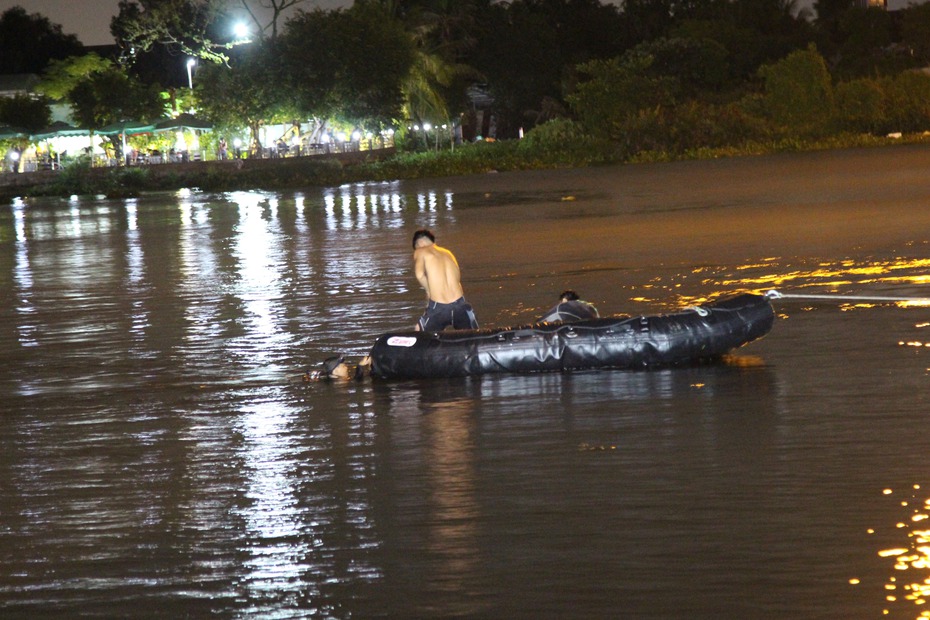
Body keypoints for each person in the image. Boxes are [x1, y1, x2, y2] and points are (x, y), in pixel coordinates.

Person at [412, 229, 478, 331]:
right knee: (473, 335)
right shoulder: (448, 253)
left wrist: (429, 290)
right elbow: (457, 278)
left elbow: (420, 275)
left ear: (420, 242)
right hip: (460, 305)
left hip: (439, 308)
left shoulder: (420, 251)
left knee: (418, 330)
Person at [303, 354, 371, 382]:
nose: (347, 368)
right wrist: (360, 366)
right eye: (344, 366)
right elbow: (357, 382)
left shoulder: (334, 379)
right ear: (335, 371)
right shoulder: (339, 382)